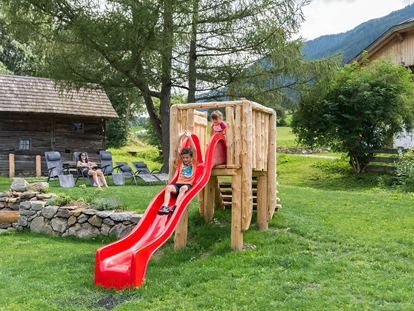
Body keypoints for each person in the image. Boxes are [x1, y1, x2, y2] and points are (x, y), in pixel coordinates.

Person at [158, 131, 198, 215]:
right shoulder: (181, 162)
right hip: (178, 184)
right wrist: (179, 137)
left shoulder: (194, 162)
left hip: (187, 184)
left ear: (191, 157)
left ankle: (175, 206)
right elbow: (176, 150)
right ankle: (165, 206)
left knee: (183, 188)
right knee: (168, 188)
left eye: (187, 157)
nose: (185, 159)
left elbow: (194, 150)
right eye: (183, 157)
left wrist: (189, 137)